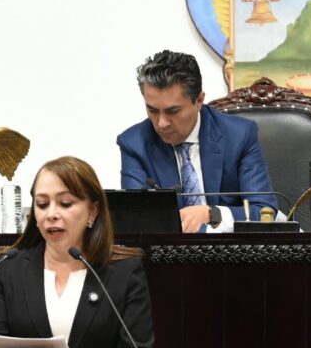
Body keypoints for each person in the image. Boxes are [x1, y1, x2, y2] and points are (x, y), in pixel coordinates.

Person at [0, 156, 155, 348]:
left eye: (65, 203)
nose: (51, 214)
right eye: (42, 204)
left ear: (92, 211)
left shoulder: (124, 272)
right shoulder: (7, 268)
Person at [117, 49, 276, 233]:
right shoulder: (134, 144)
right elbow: (137, 221)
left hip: (235, 254)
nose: (161, 123)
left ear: (199, 101)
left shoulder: (239, 136)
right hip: (169, 257)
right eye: (152, 110)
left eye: (172, 111)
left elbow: (265, 213)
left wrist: (212, 214)